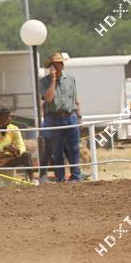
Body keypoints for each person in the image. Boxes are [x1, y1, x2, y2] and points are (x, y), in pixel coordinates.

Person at [39, 52, 83, 182]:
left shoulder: (70, 79)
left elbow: (75, 99)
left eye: (60, 63)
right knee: (57, 150)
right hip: (54, 118)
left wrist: (79, 116)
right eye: (57, 63)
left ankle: (76, 176)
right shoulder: (44, 81)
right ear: (51, 66)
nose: (60, 65)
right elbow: (48, 98)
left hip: (70, 116)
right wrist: (53, 80)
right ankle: (60, 177)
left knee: (74, 148)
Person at [0, 108, 36, 184]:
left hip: (11, 158)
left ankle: (32, 180)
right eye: (6, 116)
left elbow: (21, 145)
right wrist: (4, 148)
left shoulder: (14, 128)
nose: (9, 118)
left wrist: (17, 151)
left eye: (10, 116)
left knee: (26, 155)